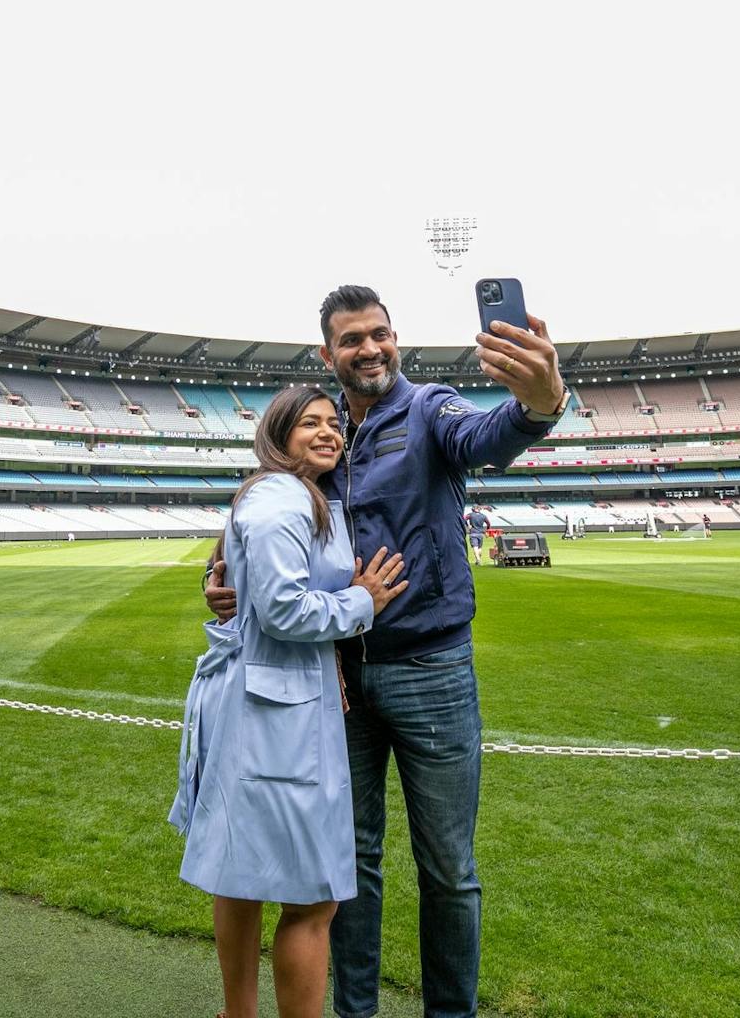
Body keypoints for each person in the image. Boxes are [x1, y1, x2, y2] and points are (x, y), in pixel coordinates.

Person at [205, 285, 566, 1018]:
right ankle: (354, 1011)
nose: (368, 349)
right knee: (351, 867)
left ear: (395, 337)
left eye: (378, 334)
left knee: (448, 871)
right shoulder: (324, 431)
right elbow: (270, 520)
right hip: (337, 678)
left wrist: (539, 404)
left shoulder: (429, 408)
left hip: (431, 671)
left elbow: (485, 438)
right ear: (327, 353)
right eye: (351, 339)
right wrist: (221, 577)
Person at [172, 385, 408, 1018]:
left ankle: (237, 1014)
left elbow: (242, 582)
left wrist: (219, 584)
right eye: (311, 424)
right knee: (312, 898)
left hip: (267, 704)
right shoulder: (282, 501)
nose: (329, 432)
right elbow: (281, 609)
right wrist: (364, 601)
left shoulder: (292, 495)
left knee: (241, 875)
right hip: (277, 714)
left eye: (334, 423)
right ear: (279, 436)